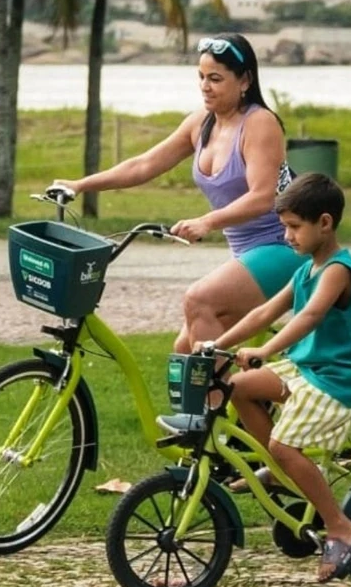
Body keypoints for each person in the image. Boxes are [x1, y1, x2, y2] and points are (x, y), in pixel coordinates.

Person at [175, 173, 351, 583]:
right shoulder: (307, 268)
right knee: (236, 386)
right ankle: (283, 468)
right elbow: (261, 314)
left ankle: (340, 525)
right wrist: (216, 345)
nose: (287, 236)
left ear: (325, 223)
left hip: (340, 377)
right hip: (309, 368)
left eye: (293, 227)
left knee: (284, 443)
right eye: (284, 226)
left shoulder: (337, 270)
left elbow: (308, 317)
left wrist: (264, 350)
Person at [52, 32, 303, 353]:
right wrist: (80, 185)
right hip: (246, 254)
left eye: (215, 78)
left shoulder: (260, 124)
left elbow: (263, 196)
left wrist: (207, 222)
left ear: (244, 81)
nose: (204, 86)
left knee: (199, 299)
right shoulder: (201, 123)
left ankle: (209, 401)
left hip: (283, 247)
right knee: (185, 349)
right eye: (200, 77)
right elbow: (144, 165)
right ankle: (231, 397)